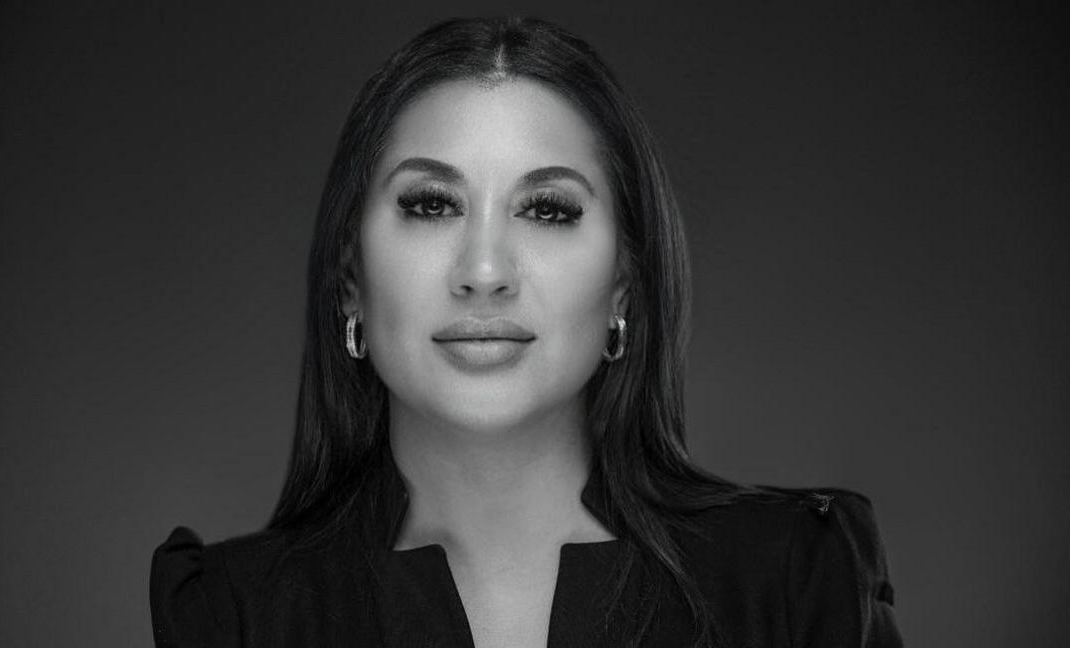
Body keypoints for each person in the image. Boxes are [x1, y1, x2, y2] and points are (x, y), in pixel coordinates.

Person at [150, 16, 902, 648]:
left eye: (547, 209)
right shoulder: (232, 616)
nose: (483, 270)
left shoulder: (795, 581)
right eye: (430, 204)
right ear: (350, 277)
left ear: (624, 284)